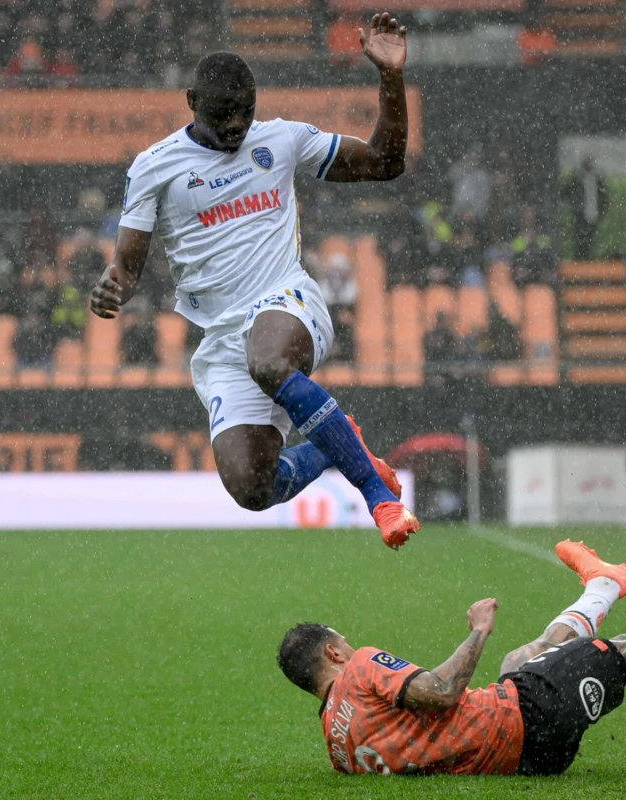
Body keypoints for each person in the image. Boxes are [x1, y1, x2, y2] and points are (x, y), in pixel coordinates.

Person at [89, 15, 419, 548]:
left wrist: (390, 77)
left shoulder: (282, 141)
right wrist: (113, 288)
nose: (238, 124)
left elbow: (385, 162)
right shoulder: (154, 167)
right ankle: (341, 440)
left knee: (269, 361)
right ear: (191, 100)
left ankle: (376, 496)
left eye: (247, 109)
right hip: (222, 340)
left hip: (285, 300)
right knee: (253, 488)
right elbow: (127, 266)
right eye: (223, 113)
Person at [279, 540, 626, 776]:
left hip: (525, 757)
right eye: (342, 641)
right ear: (332, 651)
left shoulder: (336, 743)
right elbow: (440, 695)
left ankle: (603, 584)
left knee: (526, 656)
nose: (350, 645)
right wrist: (476, 632)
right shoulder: (362, 666)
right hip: (526, 721)